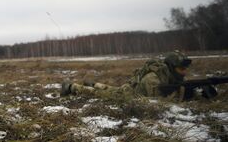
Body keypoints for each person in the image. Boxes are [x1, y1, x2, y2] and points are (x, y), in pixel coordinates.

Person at [60, 50, 192, 99]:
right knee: (100, 94)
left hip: (129, 90)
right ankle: (72, 87)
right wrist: (182, 95)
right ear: (171, 67)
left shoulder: (167, 75)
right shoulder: (152, 78)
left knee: (113, 90)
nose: (184, 72)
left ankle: (94, 84)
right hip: (129, 95)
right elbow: (155, 102)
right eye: (181, 68)